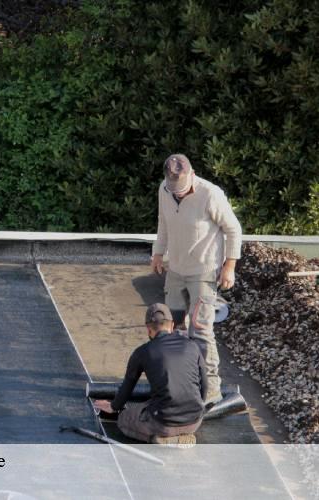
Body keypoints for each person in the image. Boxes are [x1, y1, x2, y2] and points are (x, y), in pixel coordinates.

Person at [151, 154, 242, 405]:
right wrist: (158, 253)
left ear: (192, 175)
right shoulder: (165, 189)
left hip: (204, 270)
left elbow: (233, 229)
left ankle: (211, 389)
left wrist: (229, 266)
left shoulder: (210, 194)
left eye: (181, 190)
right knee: (172, 326)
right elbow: (163, 223)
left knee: (200, 330)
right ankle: (180, 380)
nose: (178, 195)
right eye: (174, 191)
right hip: (176, 270)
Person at [94, 303, 207, 446]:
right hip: (195, 421)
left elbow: (127, 387)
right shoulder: (192, 345)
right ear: (172, 325)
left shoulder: (142, 352)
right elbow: (205, 385)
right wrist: (196, 409)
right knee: (150, 403)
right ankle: (182, 432)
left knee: (124, 418)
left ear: (148, 329)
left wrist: (113, 407)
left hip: (164, 424)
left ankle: (160, 438)